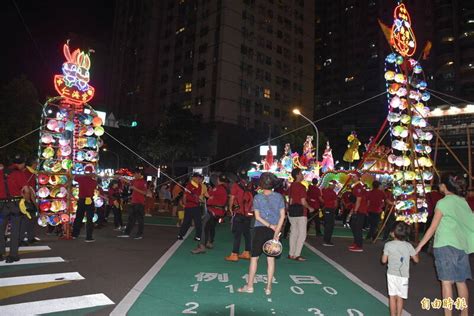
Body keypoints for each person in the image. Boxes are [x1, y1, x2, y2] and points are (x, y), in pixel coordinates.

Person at [415, 174, 474, 316]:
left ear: (444, 186)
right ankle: (464, 313)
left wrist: (418, 247)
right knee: (461, 282)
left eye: (440, 184)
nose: (439, 186)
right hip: (462, 246)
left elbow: (432, 228)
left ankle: (448, 314)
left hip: (445, 246)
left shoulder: (443, 203)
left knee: (446, 283)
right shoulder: (462, 201)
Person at [238, 172, 285, 295]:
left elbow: (257, 217)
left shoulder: (257, 197)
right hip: (274, 231)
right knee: (271, 260)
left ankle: (249, 286)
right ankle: (268, 288)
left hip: (259, 230)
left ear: (261, 184)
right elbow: (282, 216)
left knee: (254, 259)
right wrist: (276, 230)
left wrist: (269, 225)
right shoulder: (279, 197)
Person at [382, 222, 419, 316]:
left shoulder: (388, 245)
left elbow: (383, 260)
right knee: (400, 297)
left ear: (393, 233)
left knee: (392, 297)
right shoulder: (408, 246)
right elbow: (416, 260)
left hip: (391, 274)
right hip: (404, 276)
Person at [0, 155, 30, 263]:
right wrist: (27, 201)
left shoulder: (1, 172)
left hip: (1, 205)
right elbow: (26, 190)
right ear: (21, 164)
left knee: (0, 230)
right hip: (15, 205)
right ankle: (12, 255)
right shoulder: (19, 173)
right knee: (15, 230)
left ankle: (0, 253)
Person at [192, 174, 229, 254]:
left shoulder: (218, 188)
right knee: (211, 227)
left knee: (204, 227)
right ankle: (209, 242)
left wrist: (207, 192)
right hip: (220, 212)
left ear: (218, 180)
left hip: (213, 211)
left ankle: (202, 246)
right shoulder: (226, 188)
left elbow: (207, 194)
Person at [225, 169, 253, 261]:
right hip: (248, 214)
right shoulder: (249, 186)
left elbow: (232, 198)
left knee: (237, 234)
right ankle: (247, 252)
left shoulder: (236, 186)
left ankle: (234, 254)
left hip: (239, 213)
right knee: (247, 234)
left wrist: (230, 208)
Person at [288, 168, 314, 261]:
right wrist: (310, 208)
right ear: (297, 175)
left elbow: (290, 200)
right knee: (302, 234)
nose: (303, 175)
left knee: (293, 232)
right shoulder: (301, 187)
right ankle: (297, 254)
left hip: (291, 211)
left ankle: (291, 253)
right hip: (301, 212)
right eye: (301, 173)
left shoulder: (291, 186)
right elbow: (303, 201)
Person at [118, 169, 147, 239]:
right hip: (133, 202)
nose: (134, 175)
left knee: (140, 219)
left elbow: (145, 193)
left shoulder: (143, 182)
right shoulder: (134, 181)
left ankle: (139, 234)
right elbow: (128, 181)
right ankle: (127, 233)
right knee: (131, 219)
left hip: (140, 203)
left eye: (135, 174)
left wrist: (135, 188)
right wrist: (121, 177)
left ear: (139, 174)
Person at [72, 165, 97, 242]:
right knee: (89, 219)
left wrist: (83, 175)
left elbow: (74, 177)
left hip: (81, 200)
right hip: (89, 200)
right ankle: (88, 237)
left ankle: (75, 234)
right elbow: (96, 184)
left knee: (79, 217)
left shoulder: (81, 179)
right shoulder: (93, 181)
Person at [177, 173, 203, 241]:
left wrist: (197, 198)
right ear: (194, 178)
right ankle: (180, 235)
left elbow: (198, 195)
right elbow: (184, 196)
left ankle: (198, 236)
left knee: (198, 222)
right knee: (186, 222)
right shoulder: (188, 185)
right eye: (197, 178)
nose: (199, 179)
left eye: (199, 178)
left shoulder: (199, 186)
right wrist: (185, 204)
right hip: (189, 206)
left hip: (196, 206)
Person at [348, 172, 368, 252]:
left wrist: (355, 211)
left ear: (358, 177)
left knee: (357, 228)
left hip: (360, 210)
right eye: (352, 176)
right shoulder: (355, 186)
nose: (352, 177)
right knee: (353, 225)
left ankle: (359, 246)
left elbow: (358, 200)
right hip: (357, 210)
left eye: (354, 176)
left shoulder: (358, 187)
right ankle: (356, 242)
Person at [321, 180, 338, 246]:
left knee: (327, 224)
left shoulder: (324, 191)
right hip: (330, 209)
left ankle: (326, 239)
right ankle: (327, 241)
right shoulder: (333, 193)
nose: (334, 186)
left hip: (325, 209)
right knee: (330, 225)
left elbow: (321, 199)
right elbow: (336, 203)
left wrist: (325, 204)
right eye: (334, 185)